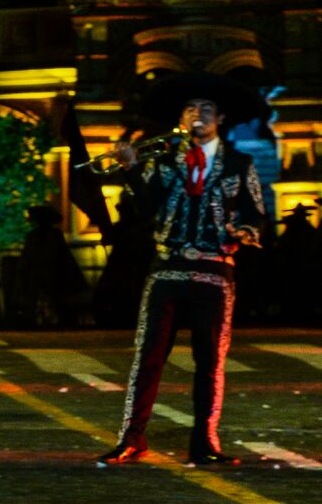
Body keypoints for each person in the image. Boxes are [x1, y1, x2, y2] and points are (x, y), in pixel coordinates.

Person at [97, 75, 266, 468]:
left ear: (220, 118)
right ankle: (131, 438)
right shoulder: (164, 161)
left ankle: (205, 442)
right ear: (181, 118)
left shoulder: (241, 164)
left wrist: (247, 230)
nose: (197, 115)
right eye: (191, 109)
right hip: (167, 270)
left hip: (214, 270)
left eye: (206, 109)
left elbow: (257, 212)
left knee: (210, 362)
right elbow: (144, 208)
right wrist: (132, 169)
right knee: (147, 358)